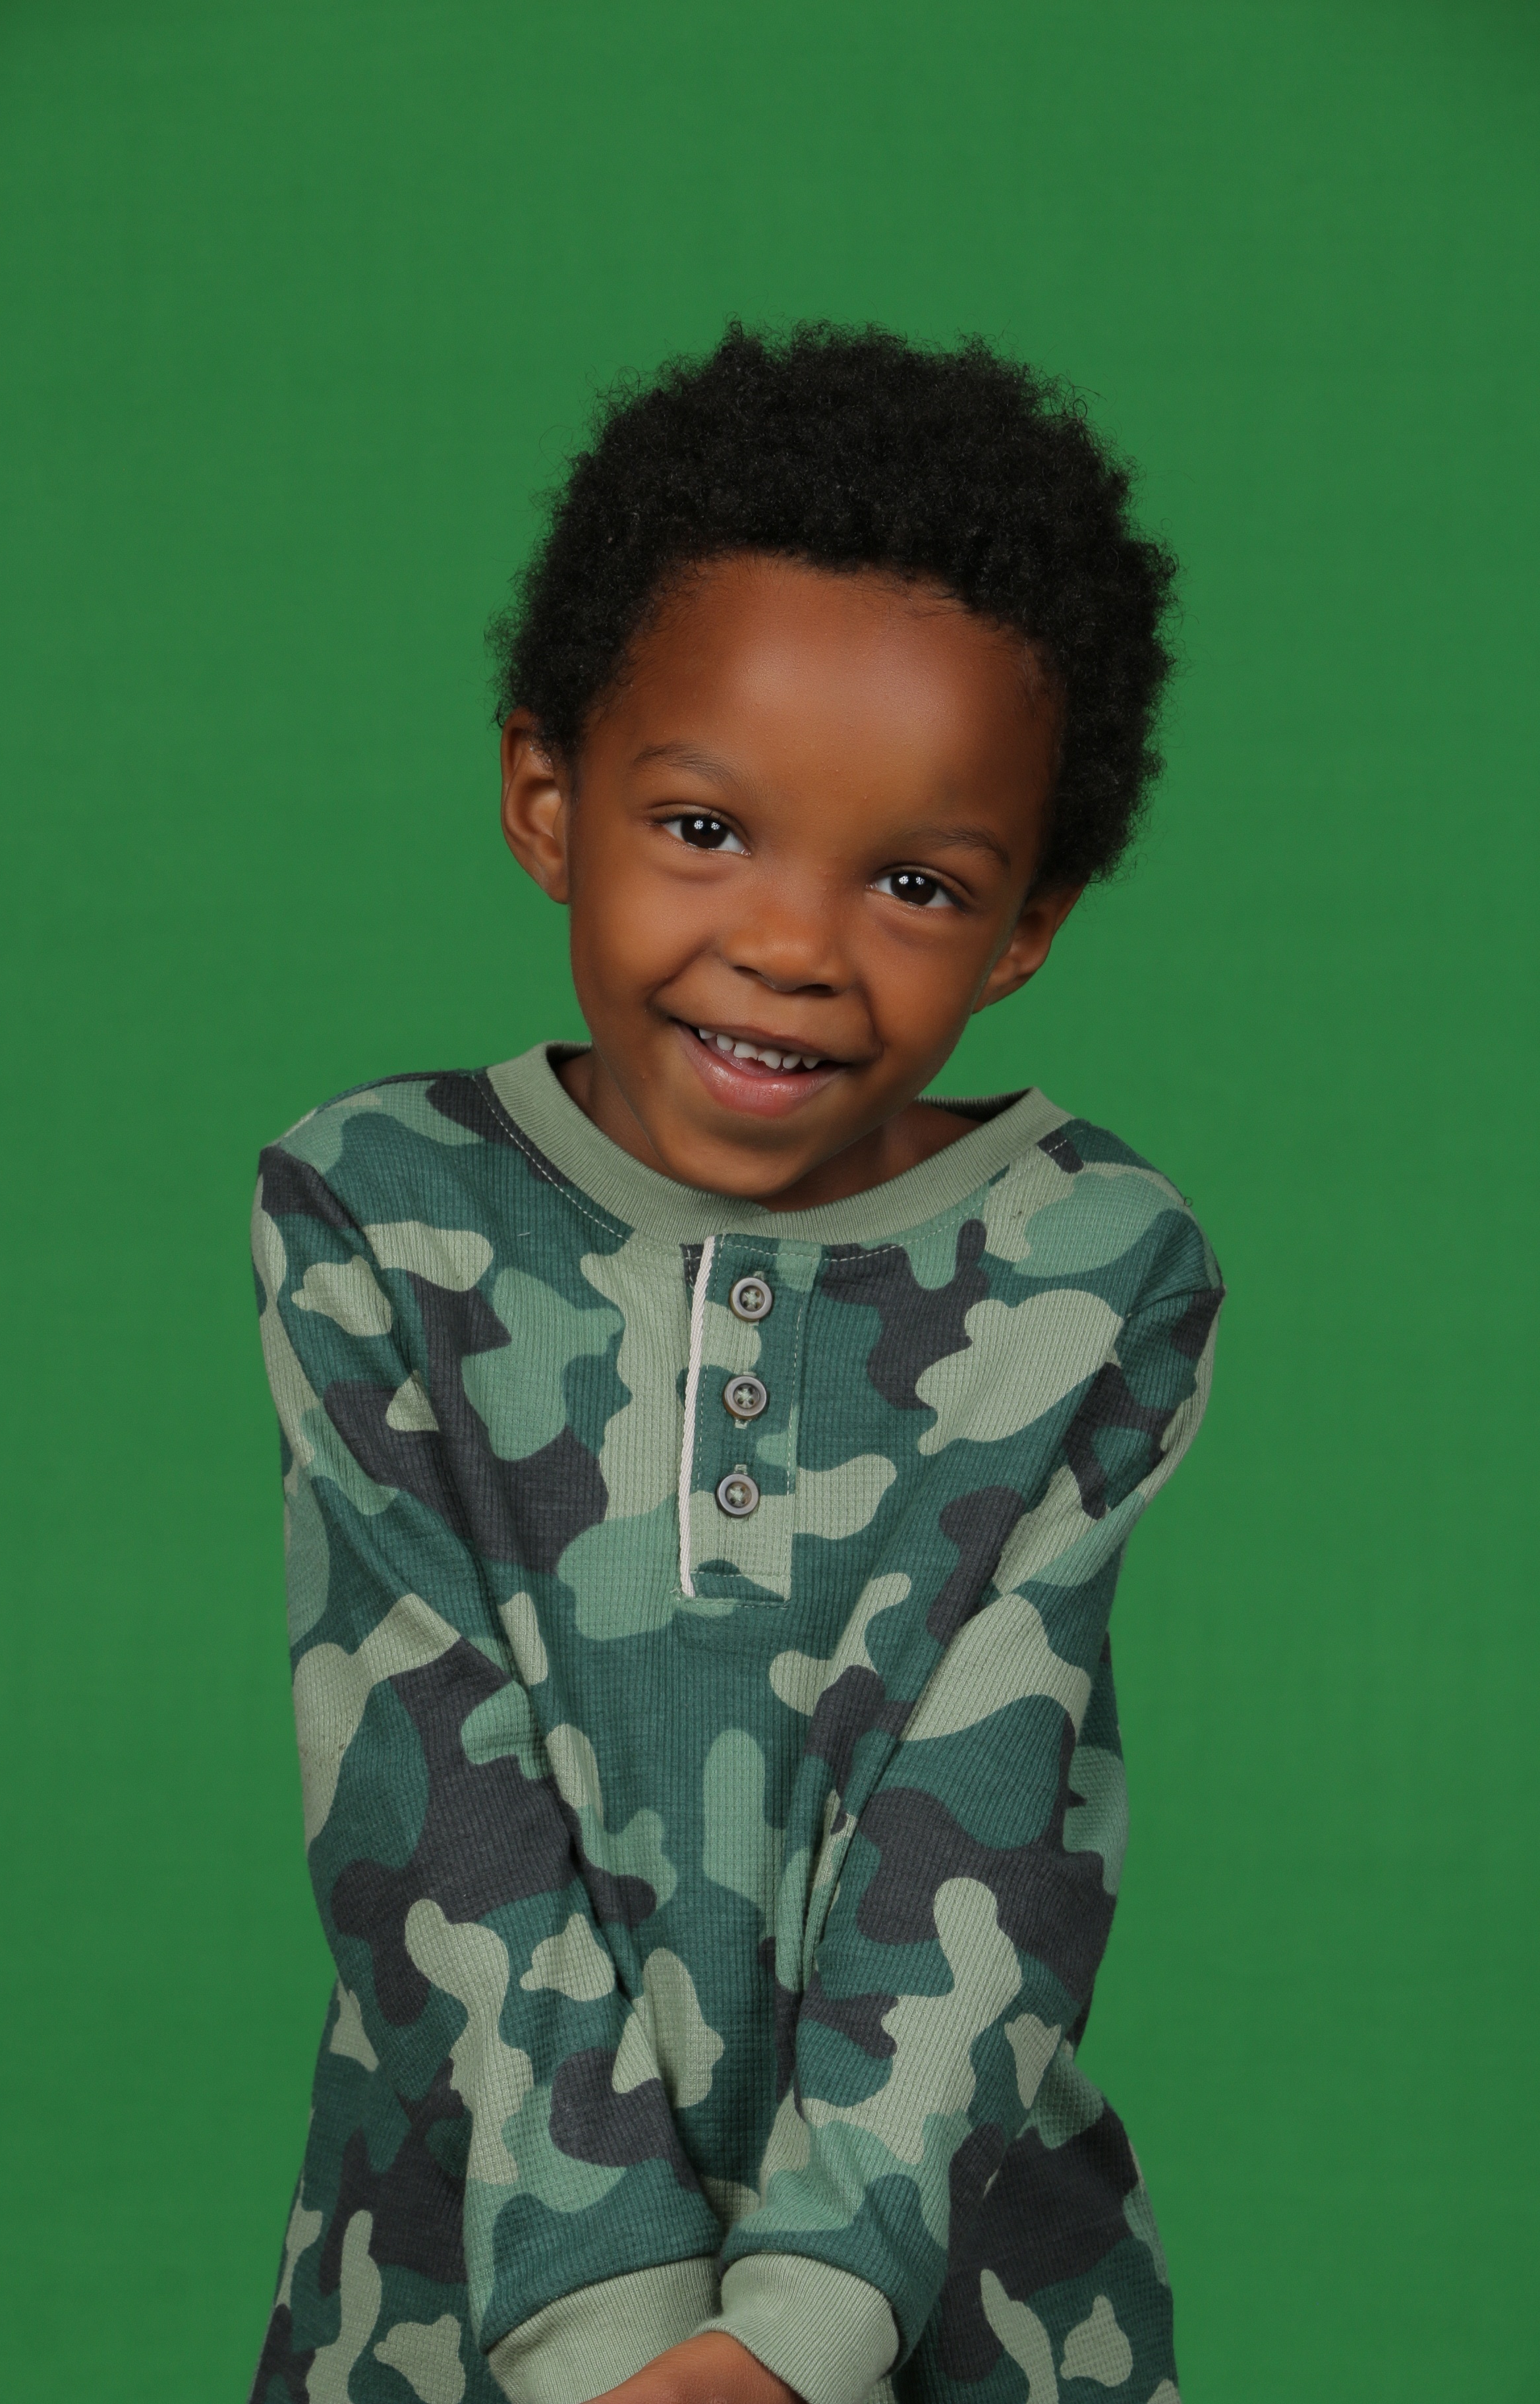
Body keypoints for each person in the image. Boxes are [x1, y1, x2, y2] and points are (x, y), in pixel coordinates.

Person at [248, 323, 1222, 2404]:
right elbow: (418, 1793)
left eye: (913, 882)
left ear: (1026, 926)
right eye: (704, 828)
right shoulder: (376, 1211)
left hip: (949, 2310)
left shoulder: (1091, 1263)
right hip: (459, 2306)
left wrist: (793, 2338)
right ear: (546, 799)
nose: (790, 944)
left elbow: (992, 1832)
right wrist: (620, 2334)